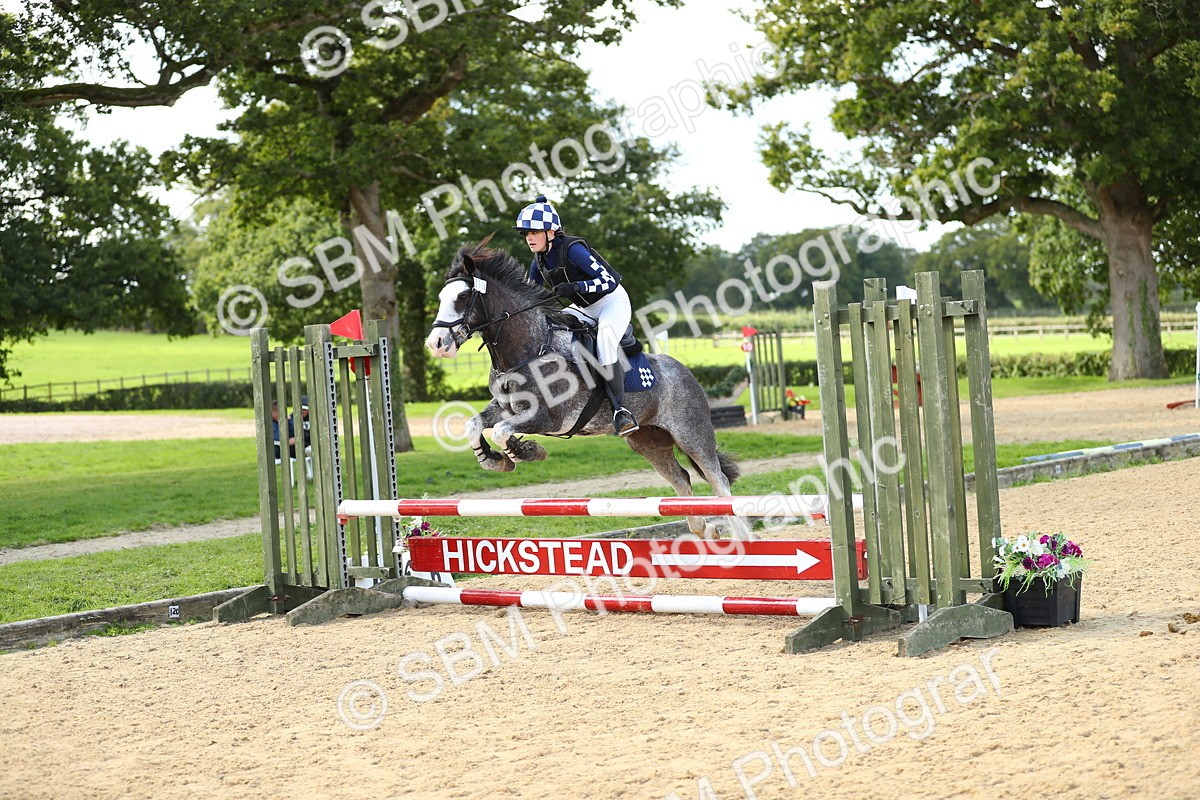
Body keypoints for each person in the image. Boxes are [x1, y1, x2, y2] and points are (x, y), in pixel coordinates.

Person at [514, 195, 639, 436]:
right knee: (552, 331)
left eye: (533, 232)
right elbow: (531, 297)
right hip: (583, 309)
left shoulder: (574, 249)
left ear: (551, 232)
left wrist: (577, 287)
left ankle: (620, 411)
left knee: (604, 342)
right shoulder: (537, 262)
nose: (528, 238)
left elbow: (609, 280)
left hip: (612, 302)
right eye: (525, 234)